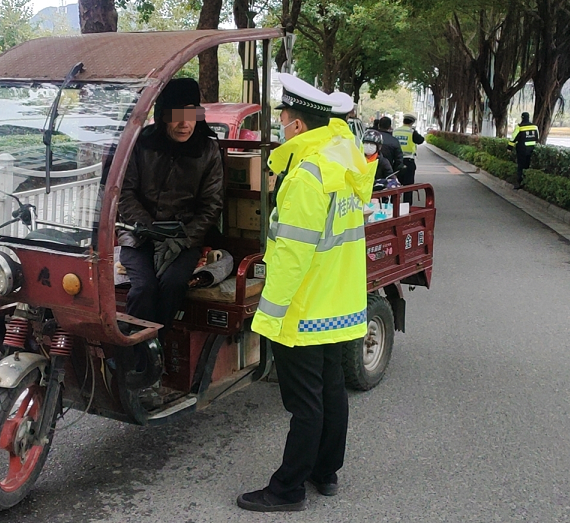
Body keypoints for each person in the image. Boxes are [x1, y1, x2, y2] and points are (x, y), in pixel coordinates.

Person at [237, 73, 374, 512]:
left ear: (296, 125)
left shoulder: (305, 176)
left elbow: (293, 256)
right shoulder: (344, 161)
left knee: (305, 403)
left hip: (306, 308)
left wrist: (270, 315)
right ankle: (325, 472)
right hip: (342, 304)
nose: (280, 126)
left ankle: (287, 489)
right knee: (332, 391)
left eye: (282, 119)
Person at [117, 78, 223, 340]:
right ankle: (134, 355)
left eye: (191, 115)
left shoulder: (208, 150)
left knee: (173, 284)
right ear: (162, 115)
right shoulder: (140, 143)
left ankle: (156, 349)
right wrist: (148, 229)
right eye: (176, 116)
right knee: (143, 288)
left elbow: (212, 205)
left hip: (183, 239)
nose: (184, 123)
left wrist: (184, 239)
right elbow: (124, 193)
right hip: (138, 235)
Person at [393, 113, 425, 204]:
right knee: (408, 187)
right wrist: (415, 131)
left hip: (396, 162)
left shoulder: (395, 131)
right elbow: (421, 140)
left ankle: (393, 205)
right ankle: (407, 206)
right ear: (412, 122)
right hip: (408, 162)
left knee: (395, 186)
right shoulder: (411, 132)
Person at [508, 112, 539, 190]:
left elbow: (513, 138)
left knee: (521, 166)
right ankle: (527, 181)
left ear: (522, 118)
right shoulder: (534, 127)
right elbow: (537, 137)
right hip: (532, 148)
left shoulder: (519, 127)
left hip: (522, 149)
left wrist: (509, 148)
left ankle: (519, 183)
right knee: (527, 165)